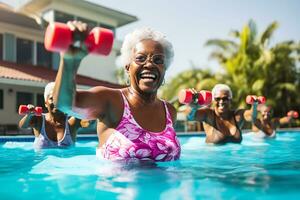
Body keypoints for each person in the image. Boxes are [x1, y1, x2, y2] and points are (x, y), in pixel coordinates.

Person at [52, 21, 180, 161]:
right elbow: (64, 104)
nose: (149, 64)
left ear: (164, 69)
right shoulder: (111, 101)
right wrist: (69, 61)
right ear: (127, 67)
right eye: (140, 58)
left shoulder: (169, 111)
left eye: (158, 60)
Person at [19, 82, 88, 149]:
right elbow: (23, 126)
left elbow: (88, 121)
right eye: (52, 98)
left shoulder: (72, 121)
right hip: (42, 160)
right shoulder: (39, 119)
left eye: (60, 99)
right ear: (46, 103)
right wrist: (29, 115)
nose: (56, 102)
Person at [184, 84, 258, 144]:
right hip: (214, 160)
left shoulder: (237, 116)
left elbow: (252, 116)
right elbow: (190, 117)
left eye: (225, 99)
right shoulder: (208, 115)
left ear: (230, 100)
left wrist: (254, 105)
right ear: (213, 100)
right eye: (217, 99)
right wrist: (192, 107)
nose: (221, 102)